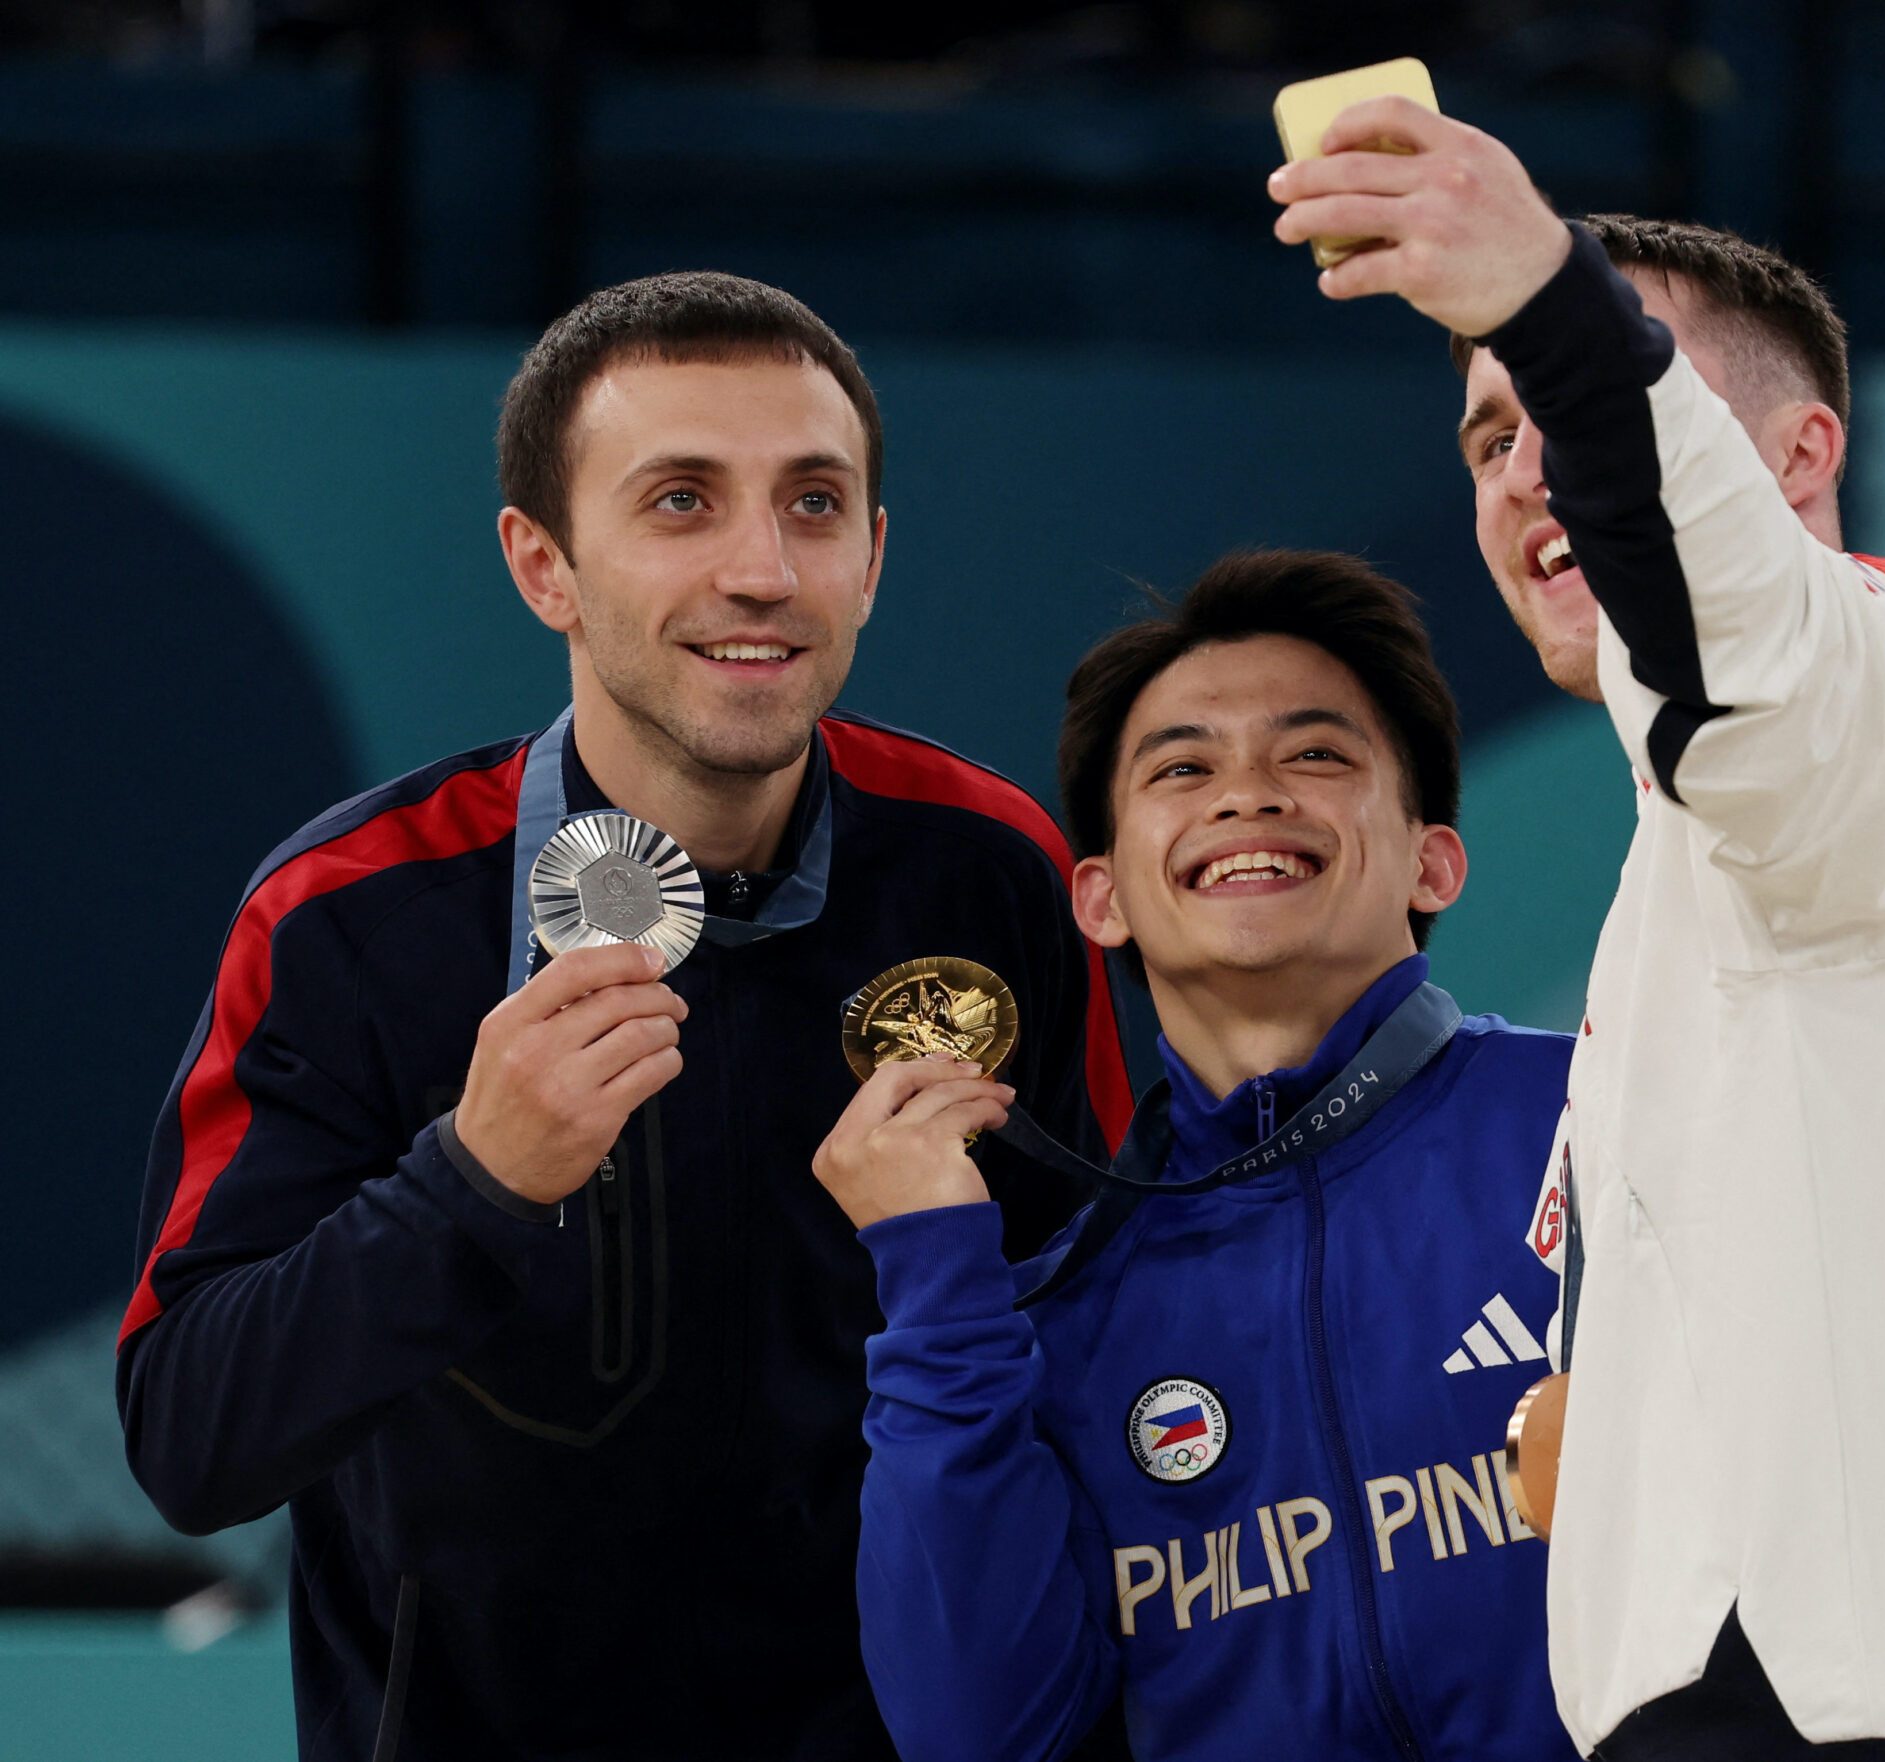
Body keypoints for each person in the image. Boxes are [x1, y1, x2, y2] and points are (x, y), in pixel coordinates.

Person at [827, 551, 1885, 1762]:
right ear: (1099, 896)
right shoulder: (1062, 1311)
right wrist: (936, 1275)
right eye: (1180, 768)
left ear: (1436, 860)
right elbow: (977, 1730)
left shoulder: (1650, 1113)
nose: (1247, 791)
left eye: (1319, 755)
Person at [1272, 107, 1885, 1762]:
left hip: (1849, 1718)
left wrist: (1550, 296)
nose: (1529, 467)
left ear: (1799, 458)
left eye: (1579, 399)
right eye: (1488, 439)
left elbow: (1745, 636)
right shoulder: (1745, 845)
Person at [116, 271, 1131, 1761]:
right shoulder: (349, 913)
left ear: (873, 558)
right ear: (546, 565)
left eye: (812, 504)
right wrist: (465, 1186)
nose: (762, 569)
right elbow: (193, 1438)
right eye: (678, 502)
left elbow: (1110, 1343)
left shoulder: (988, 872)